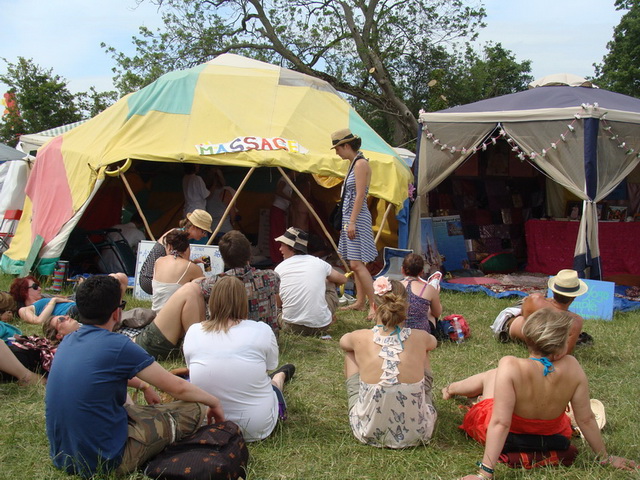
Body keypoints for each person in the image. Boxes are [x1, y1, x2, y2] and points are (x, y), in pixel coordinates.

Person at [45, 275, 225, 478]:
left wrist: (144, 386)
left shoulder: (66, 343)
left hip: (63, 456)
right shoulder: (117, 345)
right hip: (105, 462)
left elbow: (102, 374)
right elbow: (176, 387)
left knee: (140, 409)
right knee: (194, 407)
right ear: (116, 312)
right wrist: (213, 401)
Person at [444, 308, 639, 478]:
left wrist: (485, 473)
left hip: (510, 436)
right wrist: (604, 457)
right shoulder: (573, 367)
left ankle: (451, 388)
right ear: (562, 344)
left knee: (492, 377)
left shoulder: (510, 365)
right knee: (497, 379)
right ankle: (456, 390)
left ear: (527, 337)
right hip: (553, 437)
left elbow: (500, 423)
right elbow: (586, 419)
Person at [184, 276, 294, 442]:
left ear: (211, 300)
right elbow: (269, 365)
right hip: (256, 426)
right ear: (244, 301)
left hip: (205, 423)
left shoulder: (194, 331)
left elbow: (191, 368)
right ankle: (280, 378)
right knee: (272, 383)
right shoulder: (261, 330)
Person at [339, 276, 437, 448]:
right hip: (417, 431)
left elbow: (343, 342)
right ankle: (421, 402)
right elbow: (433, 343)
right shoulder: (420, 336)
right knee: (425, 351)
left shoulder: (359, 336)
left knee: (350, 353)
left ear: (375, 307)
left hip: (369, 430)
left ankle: (363, 406)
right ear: (406, 309)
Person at [196, 230, 281, 337]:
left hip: (232, 340)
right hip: (269, 338)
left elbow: (197, 288)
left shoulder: (212, 283)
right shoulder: (271, 276)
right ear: (249, 252)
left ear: (223, 258)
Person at [331, 128, 377, 319]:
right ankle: (360, 302)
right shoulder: (354, 163)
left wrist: (351, 222)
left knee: (357, 264)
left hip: (356, 218)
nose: (336, 152)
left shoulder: (360, 164)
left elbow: (360, 195)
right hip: (351, 217)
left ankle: (375, 305)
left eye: (337, 148)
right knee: (354, 262)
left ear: (346, 146)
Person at [493, 269, 587, 355]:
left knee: (527, 317)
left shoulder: (536, 299)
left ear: (553, 291)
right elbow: (566, 353)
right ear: (574, 296)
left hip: (509, 328)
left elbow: (523, 315)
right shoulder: (575, 321)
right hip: (540, 339)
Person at [274, 227, 347, 337]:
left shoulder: (279, 268)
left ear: (291, 247)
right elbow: (343, 279)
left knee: (274, 306)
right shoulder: (318, 263)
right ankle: (325, 315)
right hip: (321, 326)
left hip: (290, 327)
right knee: (330, 281)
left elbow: (278, 303)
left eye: (282, 245)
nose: (280, 249)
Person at [138, 209, 212, 295]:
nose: (204, 235)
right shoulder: (178, 239)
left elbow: (177, 264)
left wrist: (195, 261)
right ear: (194, 227)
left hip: (148, 278)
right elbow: (178, 268)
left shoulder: (175, 233)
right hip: (151, 280)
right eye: (203, 231)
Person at [12, 274, 128, 325]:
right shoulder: (24, 310)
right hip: (70, 312)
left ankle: (116, 309)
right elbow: (38, 321)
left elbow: (66, 298)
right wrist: (53, 302)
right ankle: (115, 309)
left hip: (77, 303)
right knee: (113, 280)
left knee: (120, 277)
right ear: (23, 291)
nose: (40, 288)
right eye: (35, 286)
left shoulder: (45, 297)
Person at [151, 229, 203, 312]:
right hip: (175, 316)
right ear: (186, 248)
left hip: (155, 315)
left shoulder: (158, 261)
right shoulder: (192, 268)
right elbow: (205, 292)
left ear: (169, 247)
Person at [400, 253, 442, 335]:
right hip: (422, 334)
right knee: (430, 311)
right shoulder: (429, 289)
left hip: (397, 330)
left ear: (402, 269)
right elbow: (437, 313)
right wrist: (436, 294)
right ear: (422, 272)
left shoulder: (394, 286)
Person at [269, 169, 294, 264]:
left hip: (282, 209)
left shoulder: (289, 180)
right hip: (278, 208)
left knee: (280, 231)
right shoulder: (285, 179)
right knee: (277, 233)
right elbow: (278, 191)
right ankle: (277, 257)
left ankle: (278, 256)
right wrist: (291, 199)